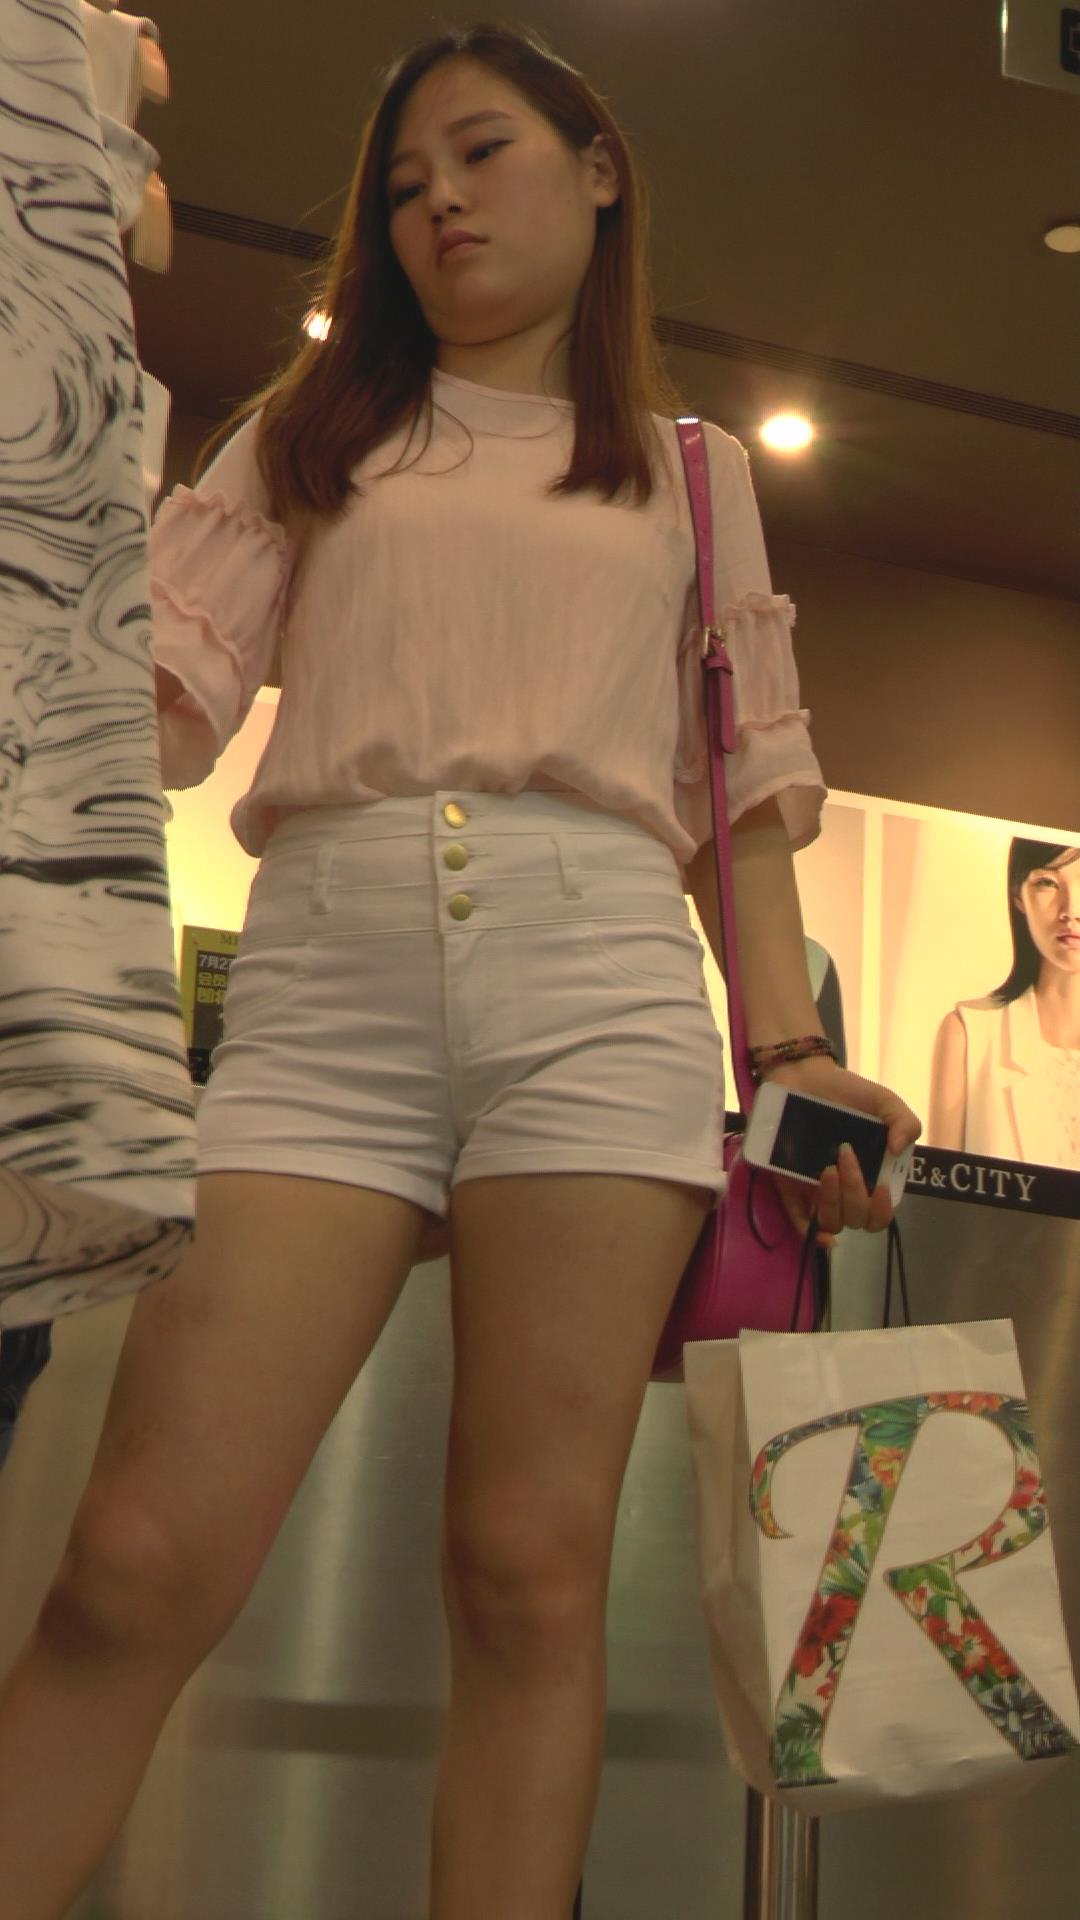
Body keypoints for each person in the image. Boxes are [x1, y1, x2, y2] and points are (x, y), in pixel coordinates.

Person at [0, 25, 920, 1917]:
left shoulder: (688, 472)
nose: (439, 203)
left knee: (525, 1574)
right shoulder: (310, 433)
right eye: (407, 184)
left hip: (598, 985)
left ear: (600, 169)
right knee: (134, 1560)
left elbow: (738, 807)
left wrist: (800, 1053)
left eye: (482, 153)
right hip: (319, 988)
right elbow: (143, 716)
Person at [929, 838, 1080, 1168]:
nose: (1071, 910)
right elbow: (939, 1196)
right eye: (1047, 882)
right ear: (1018, 896)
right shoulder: (968, 1034)